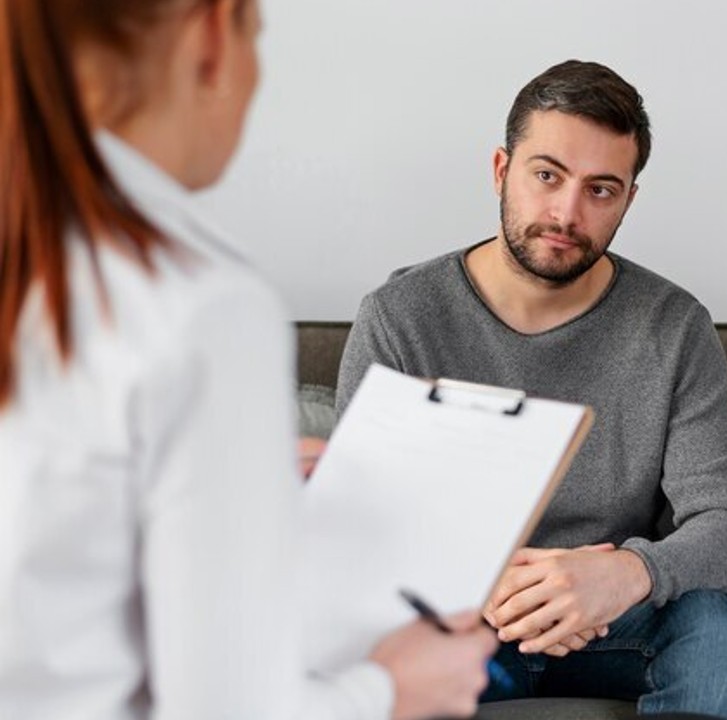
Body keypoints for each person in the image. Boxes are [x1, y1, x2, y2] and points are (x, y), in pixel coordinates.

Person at [0, 1, 494, 718]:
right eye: (258, 37)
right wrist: (393, 689)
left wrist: (235, 476)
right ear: (211, 31)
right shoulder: (201, 306)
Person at [335, 59, 727, 720]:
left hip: (617, 623)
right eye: (547, 175)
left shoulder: (673, 326)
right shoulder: (401, 317)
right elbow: (360, 531)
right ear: (501, 170)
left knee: (717, 627)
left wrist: (628, 573)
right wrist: (498, 588)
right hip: (458, 626)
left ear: (628, 199)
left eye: (601, 190)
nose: (567, 213)